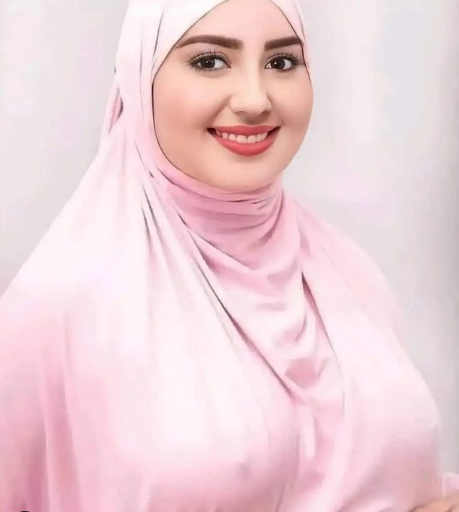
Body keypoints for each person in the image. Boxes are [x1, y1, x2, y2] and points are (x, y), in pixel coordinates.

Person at [0, 0, 458, 511]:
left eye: (281, 62)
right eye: (210, 61)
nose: (254, 99)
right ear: (139, 79)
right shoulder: (58, 306)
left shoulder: (346, 274)